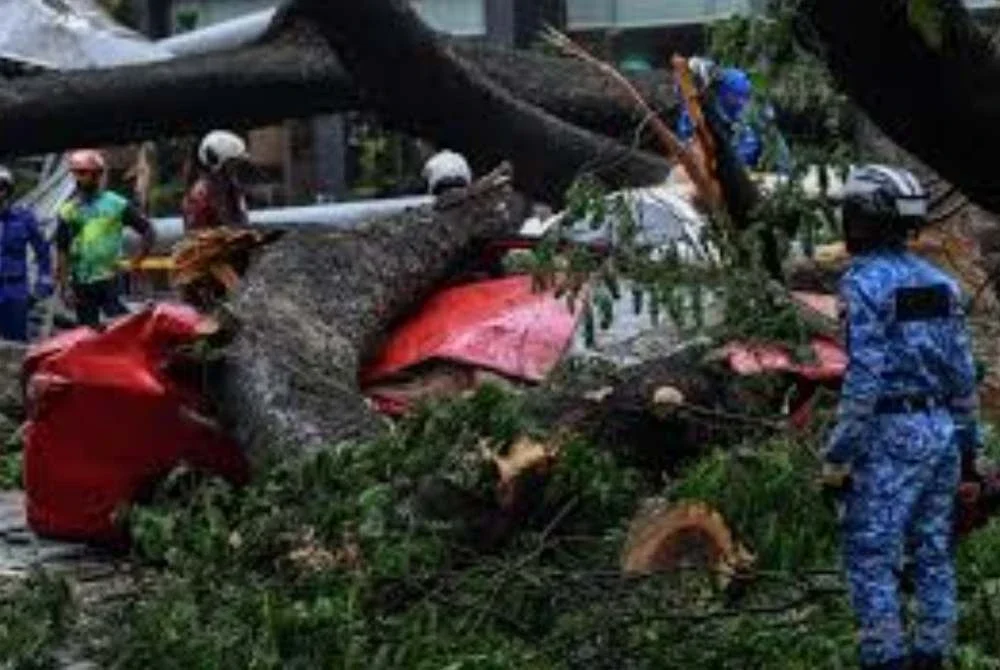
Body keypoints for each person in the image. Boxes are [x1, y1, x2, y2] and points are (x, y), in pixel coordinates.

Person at [821, 164, 984, 670]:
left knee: (872, 561)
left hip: (888, 437)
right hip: (940, 434)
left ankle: (885, 659)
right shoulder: (942, 285)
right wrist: (969, 450)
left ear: (862, 219)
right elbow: (962, 377)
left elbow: (864, 376)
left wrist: (839, 451)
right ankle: (932, 657)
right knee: (933, 554)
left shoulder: (863, 284)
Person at [55, 149, 155, 328]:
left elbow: (148, 230)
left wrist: (137, 262)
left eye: (86, 173)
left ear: (97, 175)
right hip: (81, 281)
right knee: (88, 333)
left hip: (111, 279)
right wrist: (65, 286)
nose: (80, 178)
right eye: (78, 173)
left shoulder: (116, 203)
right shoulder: (67, 211)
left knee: (121, 328)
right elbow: (62, 250)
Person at [676, 60, 790, 173]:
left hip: (756, 127)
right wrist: (688, 147)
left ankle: (784, 171)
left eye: (698, 85)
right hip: (729, 128)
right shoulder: (689, 91)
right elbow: (688, 121)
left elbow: (749, 130)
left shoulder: (735, 85)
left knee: (770, 147)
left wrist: (739, 168)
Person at [0, 165, 53, 341]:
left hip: (15, 291)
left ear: (8, 191)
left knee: (15, 345)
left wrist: (43, 282)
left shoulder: (24, 218)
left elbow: (43, 252)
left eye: (2, 187)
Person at [182, 130, 252, 232]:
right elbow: (199, 235)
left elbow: (242, 222)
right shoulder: (201, 195)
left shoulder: (232, 189)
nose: (237, 169)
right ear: (219, 162)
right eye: (233, 163)